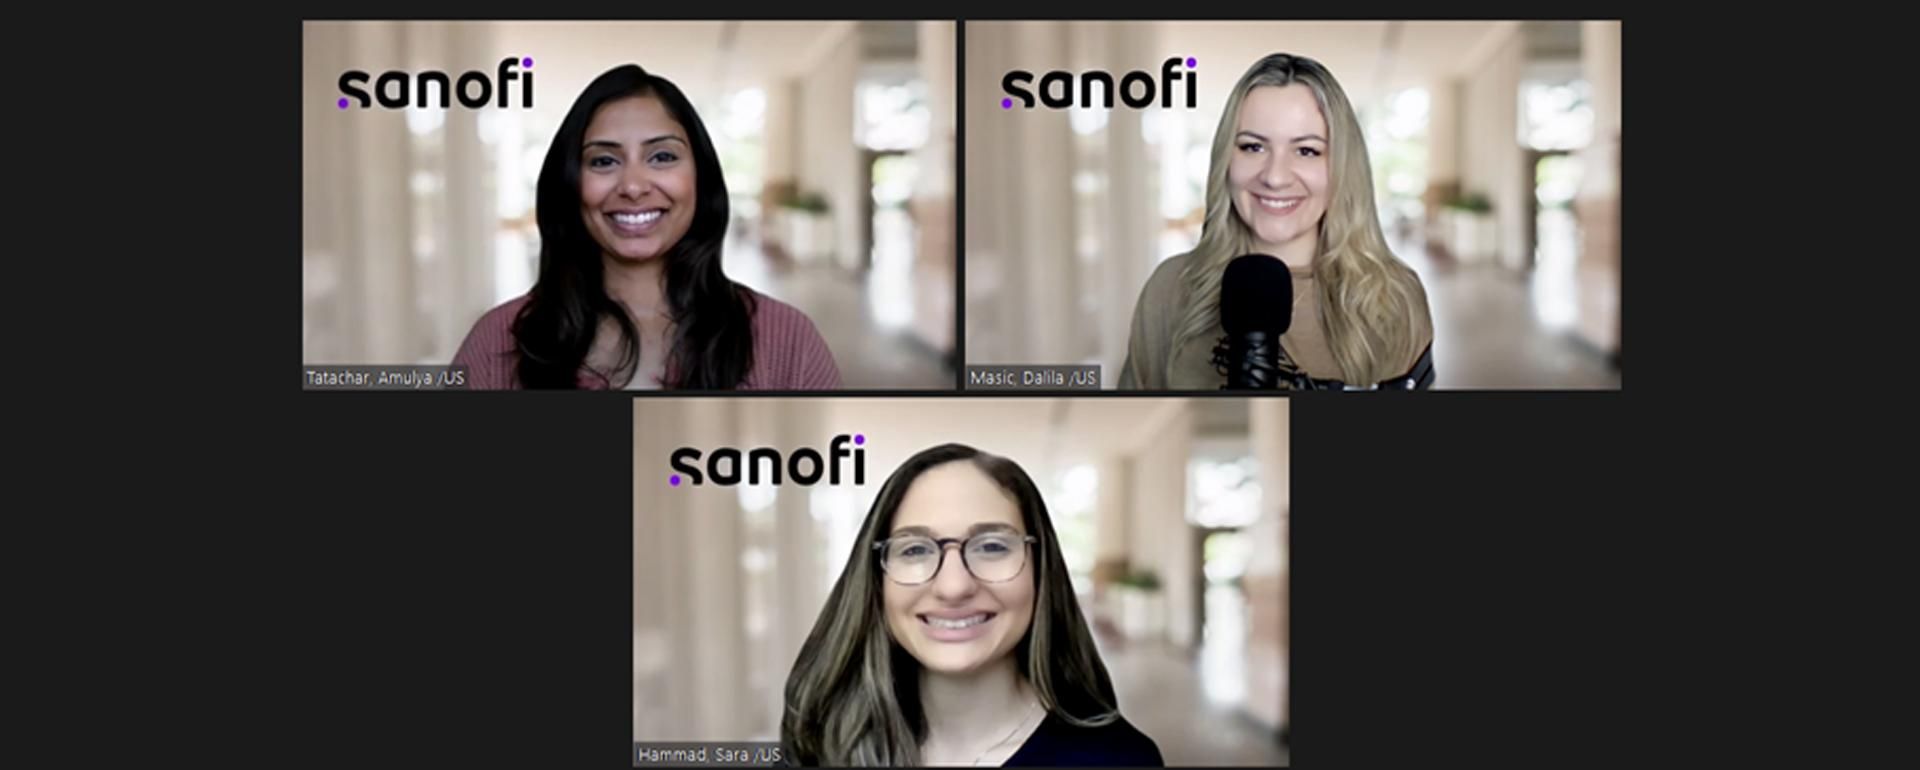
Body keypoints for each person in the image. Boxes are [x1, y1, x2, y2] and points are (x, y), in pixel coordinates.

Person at [452, 64, 841, 389]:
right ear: (570, 183)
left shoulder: (788, 340)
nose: (634, 186)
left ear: (700, 178)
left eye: (662, 156)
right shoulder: (497, 341)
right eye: (603, 161)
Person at [781, 443, 1163, 767]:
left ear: (1041, 571)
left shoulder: (1121, 758)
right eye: (915, 549)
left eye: (992, 546)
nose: (953, 586)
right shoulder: (823, 741)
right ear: (876, 581)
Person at [1119, 53, 1434, 390]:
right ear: (1226, 158)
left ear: (1342, 166)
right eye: (1253, 147)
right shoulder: (1171, 287)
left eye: (1307, 150)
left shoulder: (1395, 295)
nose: (1275, 177)